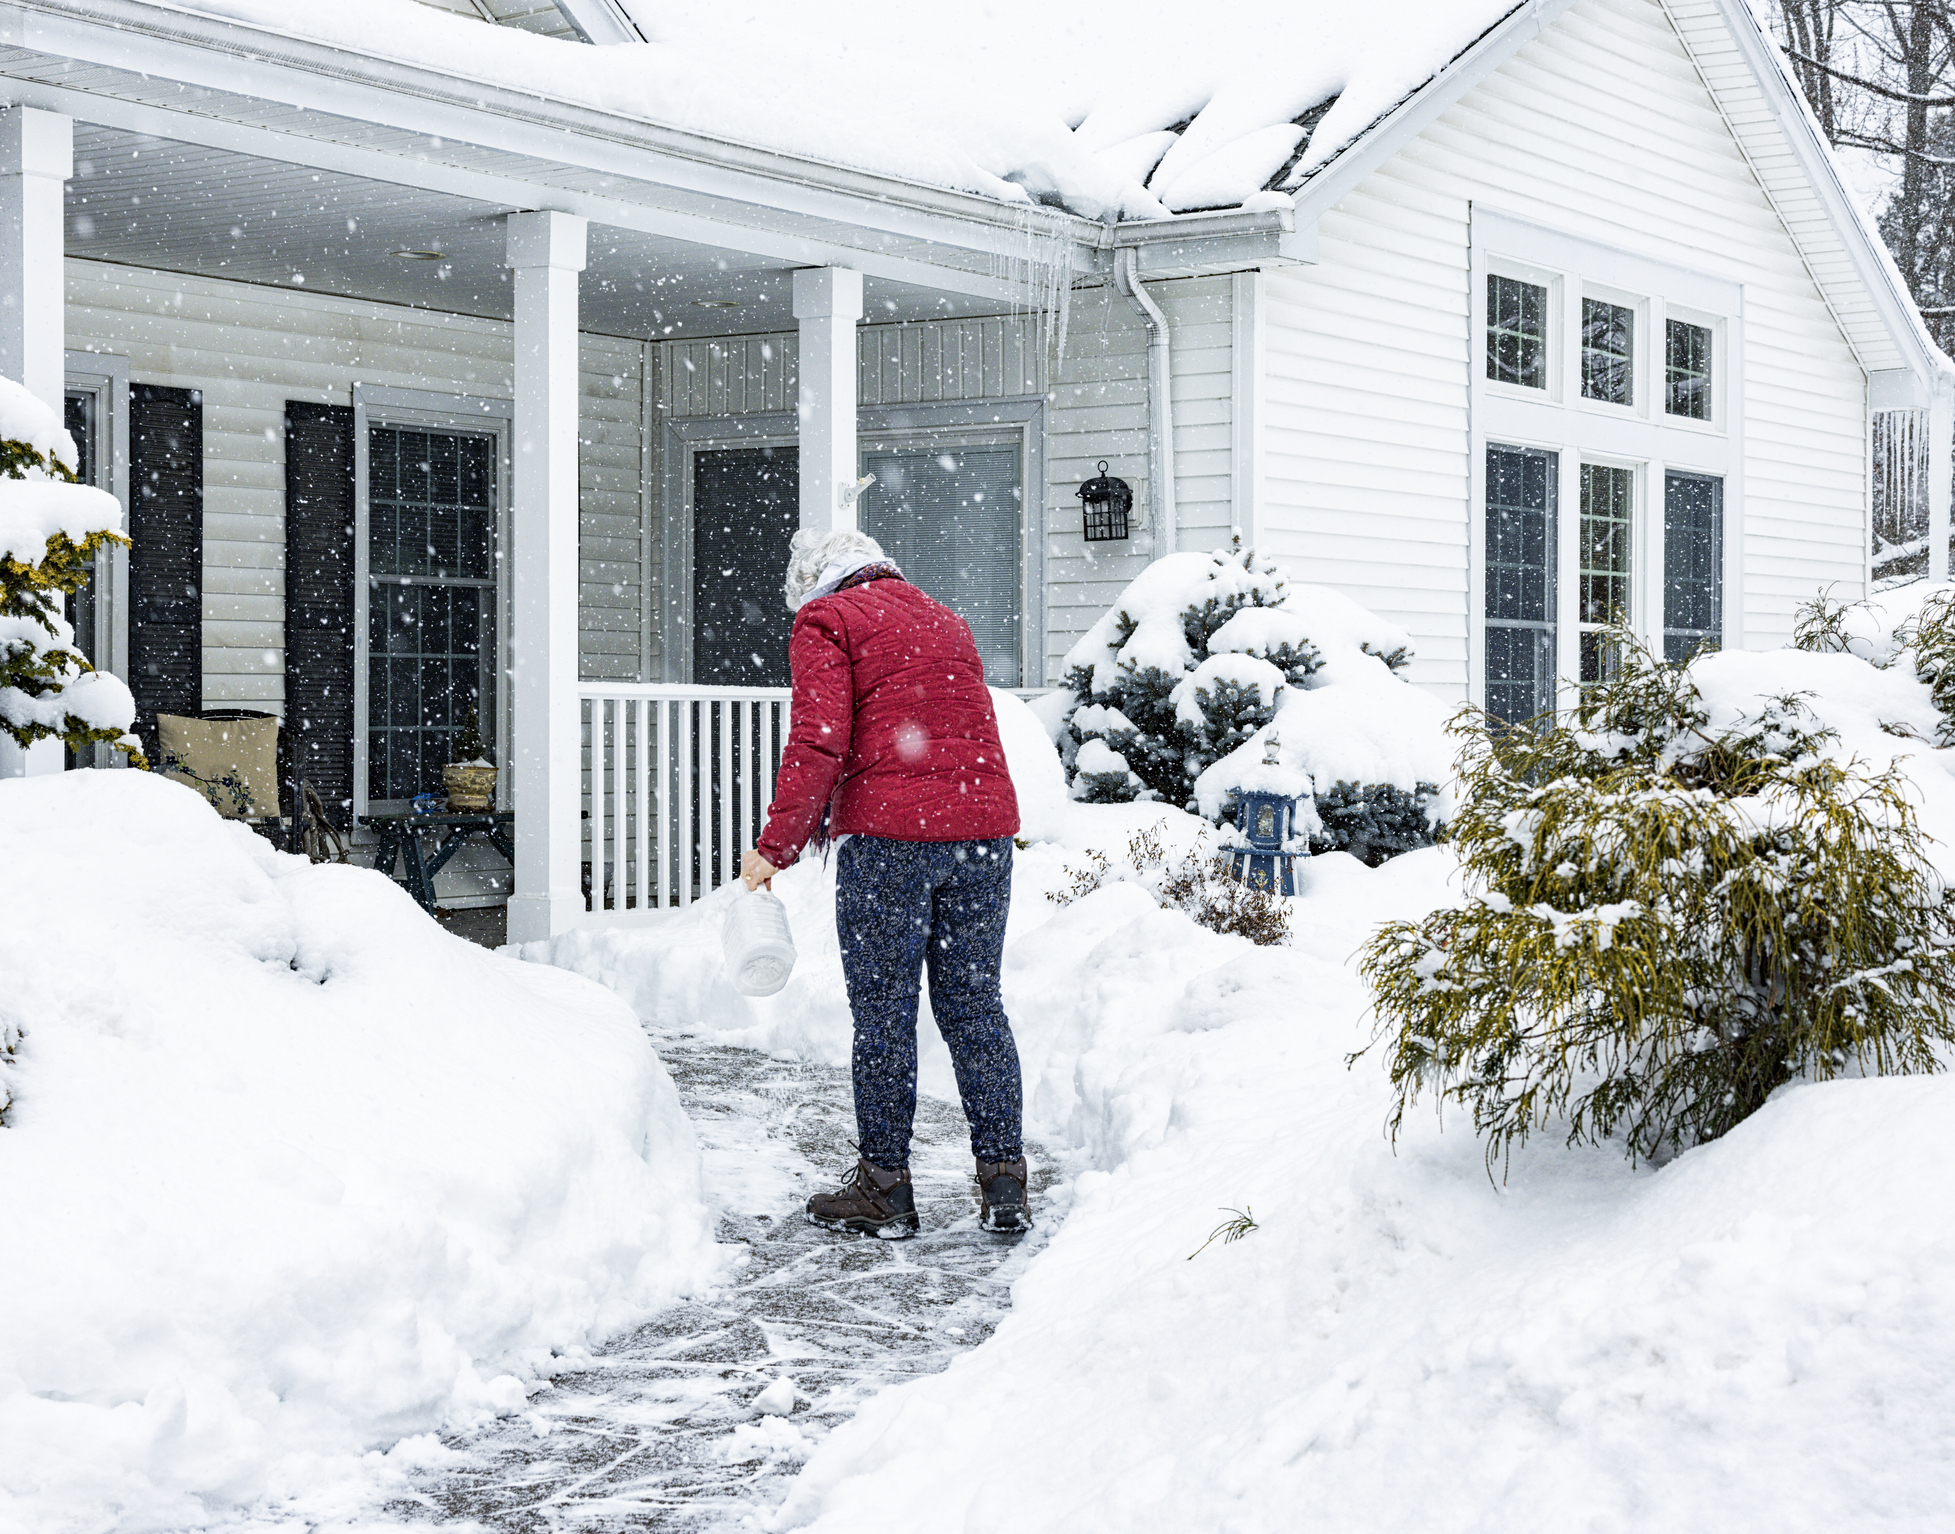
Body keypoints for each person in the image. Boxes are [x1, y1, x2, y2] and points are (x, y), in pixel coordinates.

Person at [741, 525, 1029, 1238]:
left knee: (884, 1016)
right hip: (981, 836)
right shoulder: (944, 617)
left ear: (812, 581)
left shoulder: (826, 620)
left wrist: (775, 848)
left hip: (891, 842)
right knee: (974, 1007)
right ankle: (1003, 1181)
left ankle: (884, 1188)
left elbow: (818, 740)